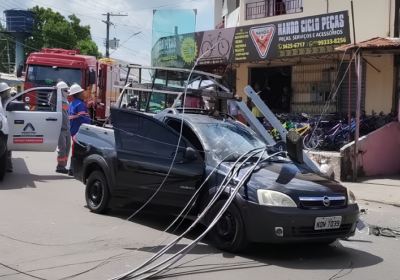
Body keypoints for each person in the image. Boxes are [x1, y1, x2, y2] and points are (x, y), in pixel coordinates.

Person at [68, 84, 90, 176]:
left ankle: (72, 169)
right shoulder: (80, 104)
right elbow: (83, 119)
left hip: (73, 130)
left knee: (75, 150)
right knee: (81, 151)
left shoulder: (71, 104)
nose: (83, 93)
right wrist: (89, 128)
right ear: (78, 94)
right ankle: (74, 170)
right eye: (81, 92)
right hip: (79, 131)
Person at [56, 84, 71, 174]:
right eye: (65, 91)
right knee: (62, 148)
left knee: (67, 149)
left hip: (67, 128)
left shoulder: (65, 101)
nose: (67, 92)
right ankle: (60, 166)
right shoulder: (56, 101)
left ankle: (63, 165)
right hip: (61, 129)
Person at [0, 83, 13, 172]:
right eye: (6, 91)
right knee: (7, 147)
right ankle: (8, 165)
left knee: (8, 147)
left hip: (8, 126)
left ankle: (8, 165)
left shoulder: (10, 101)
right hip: (5, 127)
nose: (8, 93)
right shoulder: (4, 102)